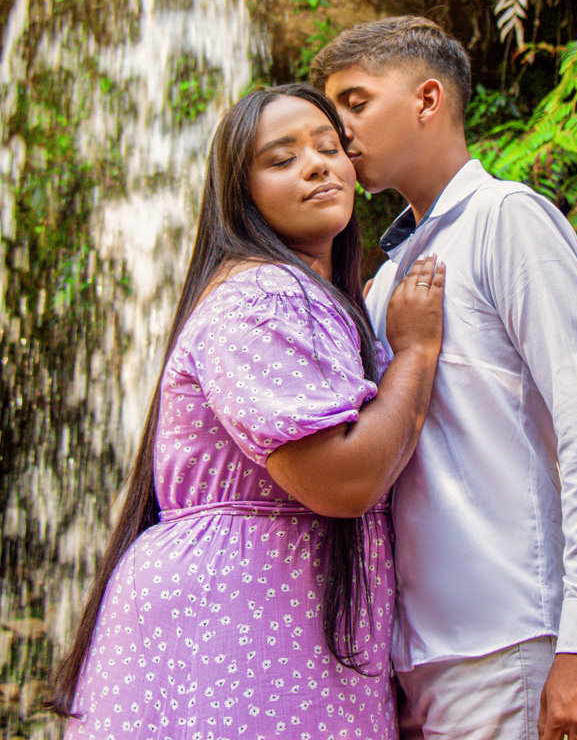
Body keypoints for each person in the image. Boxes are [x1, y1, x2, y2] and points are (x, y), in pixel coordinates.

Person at [52, 82, 445, 740]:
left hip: (275, 618)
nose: (318, 164)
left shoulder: (310, 298)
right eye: (281, 158)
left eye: (328, 147)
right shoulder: (260, 293)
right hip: (235, 618)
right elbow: (342, 480)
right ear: (241, 192)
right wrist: (416, 351)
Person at [311, 18, 577, 740]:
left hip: (509, 642)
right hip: (414, 662)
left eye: (355, 103)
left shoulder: (507, 220)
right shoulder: (385, 281)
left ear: (428, 99)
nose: (340, 133)